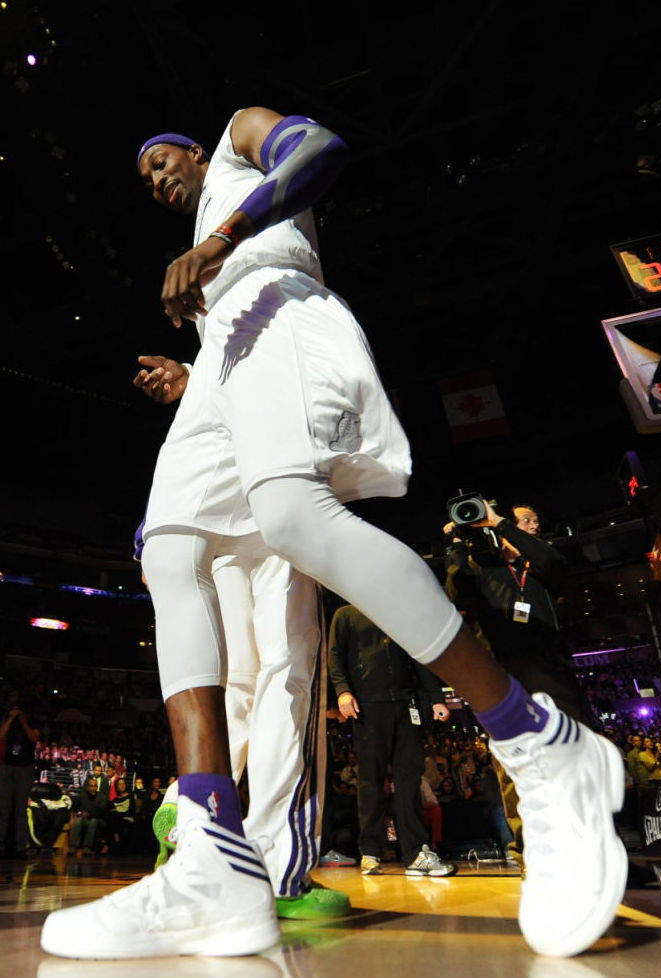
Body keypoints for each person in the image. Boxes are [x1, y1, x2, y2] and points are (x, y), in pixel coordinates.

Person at [41, 108, 626, 961]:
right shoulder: (202, 260)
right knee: (167, 549)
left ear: (196, 151)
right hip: (224, 366)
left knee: (289, 517)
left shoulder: (242, 139)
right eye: (148, 182)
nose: (159, 181)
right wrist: (191, 370)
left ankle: (538, 739)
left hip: (281, 309)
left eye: (164, 163)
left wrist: (219, 243)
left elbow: (321, 151)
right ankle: (213, 854)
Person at [133, 355, 350, 920]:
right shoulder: (292, 321)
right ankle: (280, 868)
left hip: (208, 512)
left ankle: (187, 817)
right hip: (281, 504)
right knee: (289, 680)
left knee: (233, 681)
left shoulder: (216, 349)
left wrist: (187, 376)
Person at [444, 499, 599, 865]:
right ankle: (529, 852)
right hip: (503, 677)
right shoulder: (483, 568)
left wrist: (500, 522)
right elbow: (455, 591)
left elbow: (553, 562)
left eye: (535, 521)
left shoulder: (540, 566)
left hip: (553, 673)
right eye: (527, 521)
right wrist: (456, 544)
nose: (534, 526)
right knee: (517, 767)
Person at [327, 603, 456, 877]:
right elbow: (335, 655)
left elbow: (420, 657)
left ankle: (416, 852)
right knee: (370, 780)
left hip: (406, 704)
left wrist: (435, 698)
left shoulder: (400, 610)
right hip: (368, 706)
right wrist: (342, 691)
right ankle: (370, 852)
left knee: (409, 778)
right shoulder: (346, 614)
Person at [0, 690, 40, 858]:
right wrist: (11, 718)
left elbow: (33, 738)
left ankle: (20, 845)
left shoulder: (32, 720)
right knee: (3, 807)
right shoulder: (7, 718)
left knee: (20, 808)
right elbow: (1, 736)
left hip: (25, 767)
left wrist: (23, 722)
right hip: (7, 766)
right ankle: (1, 845)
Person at [69, 776, 107, 856]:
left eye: (94, 786)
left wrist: (89, 813)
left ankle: (87, 847)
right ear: (87, 787)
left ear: (97, 787)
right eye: (91, 786)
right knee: (78, 820)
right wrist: (73, 816)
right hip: (85, 819)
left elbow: (101, 811)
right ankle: (73, 846)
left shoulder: (101, 796)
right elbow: (74, 806)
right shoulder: (83, 795)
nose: (93, 788)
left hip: (98, 820)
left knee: (93, 821)